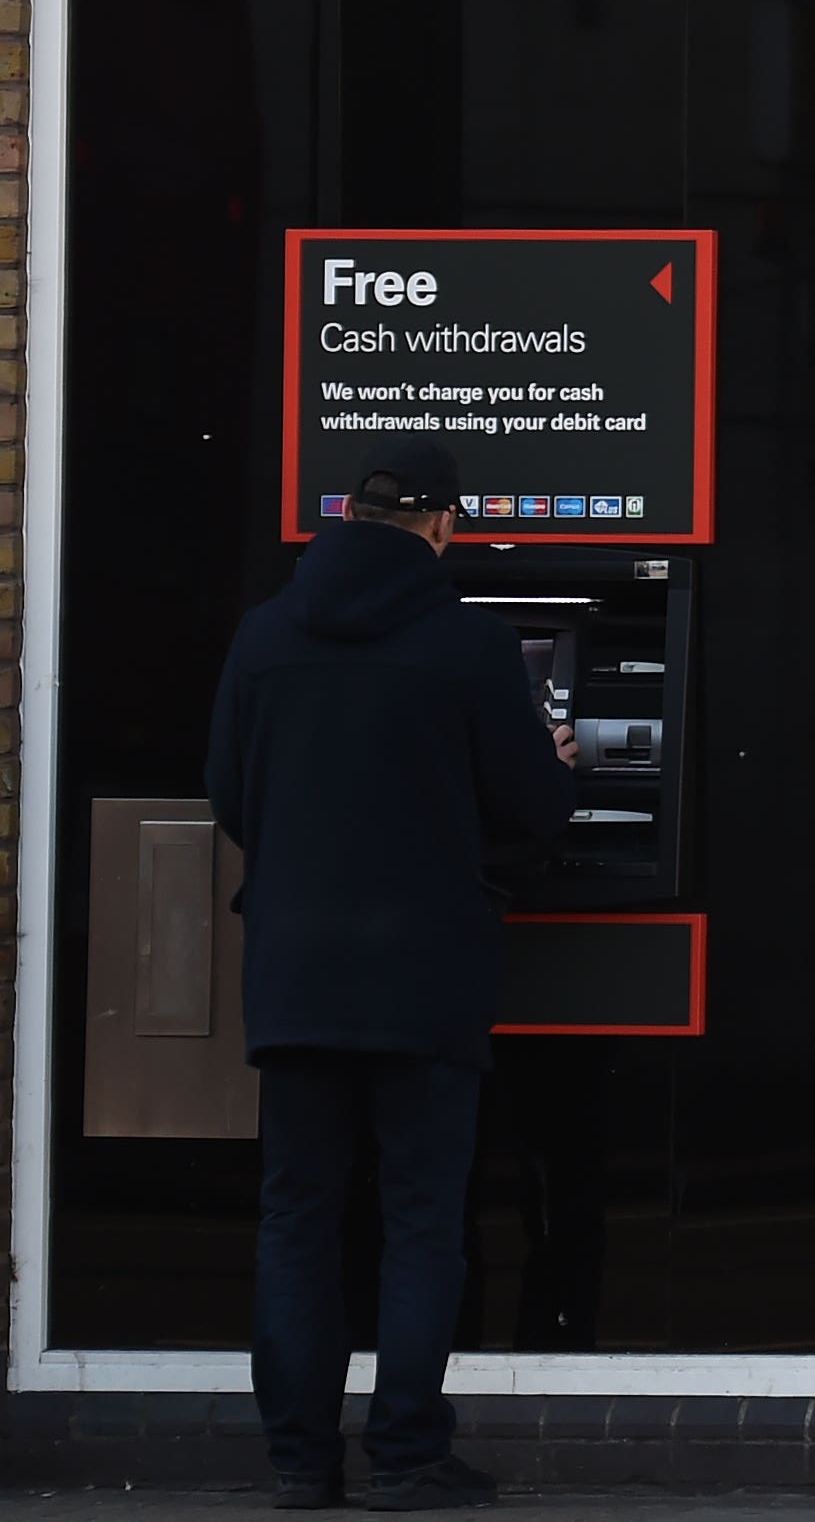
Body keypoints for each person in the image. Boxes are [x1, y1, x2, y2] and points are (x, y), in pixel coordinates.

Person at [206, 438, 581, 1510]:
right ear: (442, 526)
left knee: (298, 1214)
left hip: (297, 971)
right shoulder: (470, 644)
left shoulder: (263, 635)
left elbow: (232, 792)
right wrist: (552, 771)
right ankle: (410, 1456)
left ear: (349, 516)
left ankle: (299, 1460)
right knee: (422, 1217)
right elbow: (529, 813)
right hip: (425, 974)